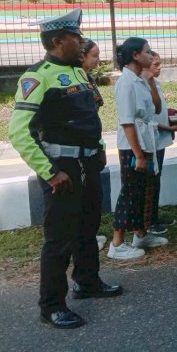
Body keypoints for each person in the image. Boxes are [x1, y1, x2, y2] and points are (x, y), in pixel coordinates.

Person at [8, 9, 121, 329]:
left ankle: (88, 282)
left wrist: (98, 150)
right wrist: (50, 172)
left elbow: (89, 118)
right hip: (62, 168)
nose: (81, 42)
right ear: (58, 41)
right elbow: (19, 132)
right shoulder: (37, 77)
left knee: (88, 225)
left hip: (87, 162)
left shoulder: (76, 72)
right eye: (76, 37)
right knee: (59, 239)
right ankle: (52, 305)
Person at [108, 37, 169, 260]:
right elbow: (127, 122)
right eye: (146, 52)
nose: (151, 56)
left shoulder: (139, 80)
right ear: (135, 55)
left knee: (144, 191)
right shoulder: (126, 83)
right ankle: (117, 243)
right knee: (130, 193)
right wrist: (138, 154)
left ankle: (141, 234)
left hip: (145, 142)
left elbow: (151, 111)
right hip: (133, 147)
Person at [147, 51, 177, 235]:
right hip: (150, 140)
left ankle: (154, 216)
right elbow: (145, 118)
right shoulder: (142, 86)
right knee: (149, 182)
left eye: (159, 64)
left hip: (159, 139)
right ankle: (148, 222)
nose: (159, 68)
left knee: (156, 180)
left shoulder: (156, 83)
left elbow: (159, 110)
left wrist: (171, 117)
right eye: (155, 64)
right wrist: (167, 127)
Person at [79, 38, 108, 252]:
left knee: (92, 198)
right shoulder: (77, 81)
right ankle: (84, 238)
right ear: (82, 56)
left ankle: (90, 234)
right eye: (94, 56)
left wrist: (101, 146)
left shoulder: (87, 78)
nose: (98, 60)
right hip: (81, 150)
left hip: (93, 144)